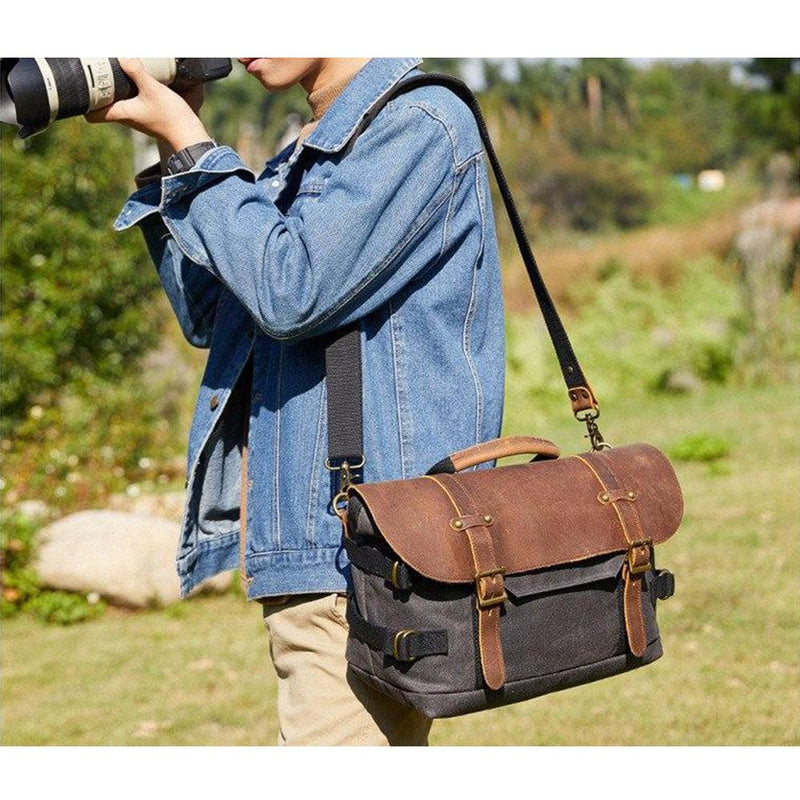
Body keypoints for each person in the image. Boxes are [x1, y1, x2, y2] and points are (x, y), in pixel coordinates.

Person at [100, 57, 505, 745]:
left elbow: (293, 292)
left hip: (374, 560)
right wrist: (171, 149)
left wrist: (197, 146)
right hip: (314, 554)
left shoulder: (418, 126)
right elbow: (216, 315)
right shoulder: (305, 153)